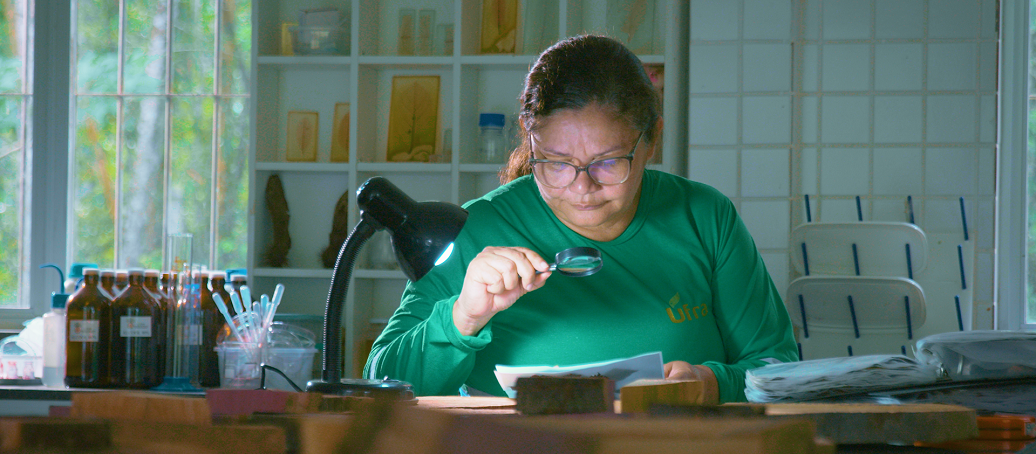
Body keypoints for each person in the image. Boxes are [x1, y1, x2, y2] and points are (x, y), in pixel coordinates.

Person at [364, 35, 797, 404]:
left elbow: (777, 365)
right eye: (555, 163)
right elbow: (381, 383)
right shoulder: (473, 231)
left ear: (652, 141)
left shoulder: (704, 217)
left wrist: (712, 384)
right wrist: (461, 319)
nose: (581, 187)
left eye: (607, 163)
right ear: (530, 141)